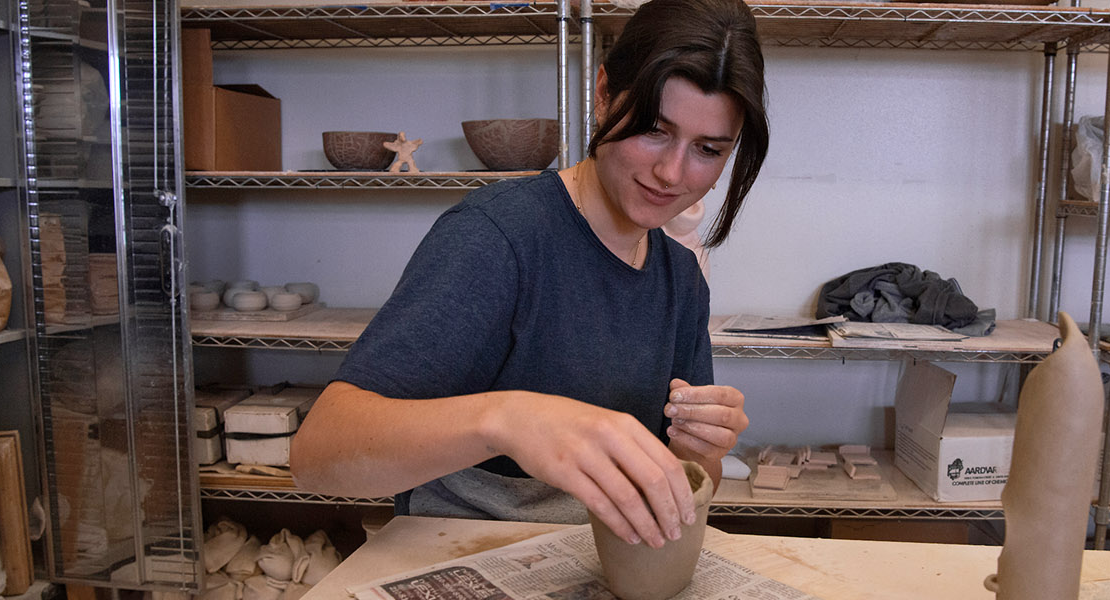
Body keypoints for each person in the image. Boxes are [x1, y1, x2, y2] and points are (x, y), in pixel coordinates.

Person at [290, 0, 768, 552]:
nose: (673, 173)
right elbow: (316, 457)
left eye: (708, 150)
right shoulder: (498, 238)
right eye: (654, 131)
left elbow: (688, 478)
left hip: (600, 562)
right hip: (465, 550)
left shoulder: (680, 278)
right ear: (603, 93)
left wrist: (701, 445)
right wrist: (506, 419)